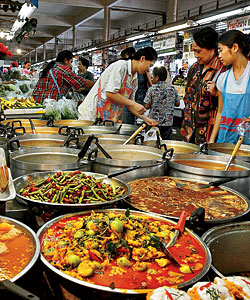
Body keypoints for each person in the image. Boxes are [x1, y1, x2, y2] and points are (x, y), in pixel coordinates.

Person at [78, 47, 158, 125]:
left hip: (106, 118)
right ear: (142, 58)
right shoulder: (121, 66)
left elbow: (129, 104)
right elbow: (110, 93)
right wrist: (133, 104)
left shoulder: (134, 78)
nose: (148, 70)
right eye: (150, 65)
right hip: (91, 115)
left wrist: (146, 118)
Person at [180, 27, 224, 145]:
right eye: (194, 51)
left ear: (212, 49)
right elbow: (188, 95)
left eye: (199, 51)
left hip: (208, 132)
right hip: (189, 129)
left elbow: (225, 104)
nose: (195, 55)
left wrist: (215, 93)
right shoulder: (194, 68)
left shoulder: (222, 69)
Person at [209, 30, 250, 144]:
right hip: (225, 140)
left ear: (235, 47)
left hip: (246, 142)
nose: (219, 55)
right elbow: (220, 112)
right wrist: (212, 140)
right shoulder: (223, 78)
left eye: (221, 50)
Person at [144, 66, 180, 139]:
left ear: (157, 77)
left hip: (153, 122)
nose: (151, 78)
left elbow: (147, 106)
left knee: (152, 143)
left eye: (152, 76)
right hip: (168, 122)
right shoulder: (172, 89)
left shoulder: (152, 89)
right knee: (165, 144)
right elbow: (177, 104)